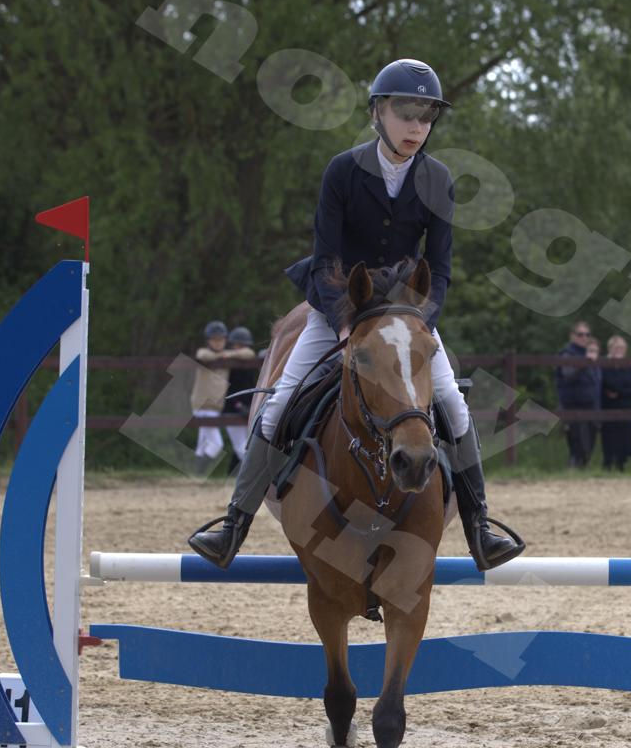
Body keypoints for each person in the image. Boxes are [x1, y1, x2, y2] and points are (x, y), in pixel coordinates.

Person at [187, 59, 525, 571]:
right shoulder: (343, 171)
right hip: (337, 308)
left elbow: (440, 268)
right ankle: (234, 523)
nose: (417, 126)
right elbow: (326, 259)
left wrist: (421, 324)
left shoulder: (438, 179)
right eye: (406, 113)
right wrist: (345, 323)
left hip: (404, 317)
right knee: (279, 403)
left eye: (426, 116)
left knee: (454, 405)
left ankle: (479, 526)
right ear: (377, 114)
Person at [555, 320, 601, 468]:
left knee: (588, 444)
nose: (584, 337)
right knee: (577, 445)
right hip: (573, 406)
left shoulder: (589, 353)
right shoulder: (567, 354)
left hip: (591, 406)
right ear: (572, 336)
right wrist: (585, 363)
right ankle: (573, 473)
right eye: (580, 334)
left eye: (587, 334)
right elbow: (568, 375)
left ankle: (580, 472)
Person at [190, 320, 234, 466]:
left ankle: (194, 471)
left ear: (225, 340)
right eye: (214, 340)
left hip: (214, 406)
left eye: (220, 339)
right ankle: (199, 471)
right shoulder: (205, 353)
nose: (218, 343)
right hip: (203, 406)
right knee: (216, 445)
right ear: (208, 341)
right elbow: (202, 355)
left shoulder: (228, 355)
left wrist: (227, 354)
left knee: (202, 443)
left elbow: (248, 353)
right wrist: (222, 356)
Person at [599, 335, 631, 471]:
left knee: (625, 440)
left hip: (626, 408)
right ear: (610, 348)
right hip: (608, 408)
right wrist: (621, 390)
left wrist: (619, 393)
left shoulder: (630, 366)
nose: (619, 350)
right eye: (616, 347)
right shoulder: (603, 364)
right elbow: (606, 384)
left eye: (622, 348)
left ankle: (621, 467)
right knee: (609, 440)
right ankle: (607, 467)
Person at [220, 326, 258, 470]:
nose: (240, 347)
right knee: (241, 447)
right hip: (232, 407)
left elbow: (249, 353)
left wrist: (229, 354)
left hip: (248, 407)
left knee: (245, 445)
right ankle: (250, 473)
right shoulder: (229, 363)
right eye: (238, 344)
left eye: (242, 345)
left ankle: (234, 474)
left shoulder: (249, 360)